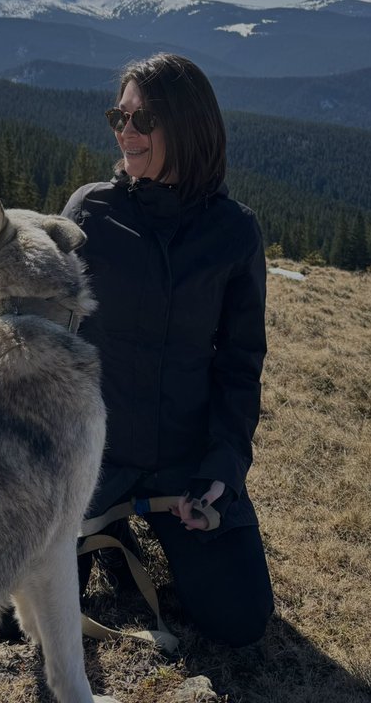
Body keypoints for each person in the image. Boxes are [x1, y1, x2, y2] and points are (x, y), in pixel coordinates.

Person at [62, 52, 273, 647]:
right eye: (118, 116)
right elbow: (52, 339)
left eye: (142, 120)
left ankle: (148, 529)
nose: (125, 132)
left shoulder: (233, 233)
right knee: (7, 621)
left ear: (187, 127)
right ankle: (112, 532)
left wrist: (222, 473)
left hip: (186, 466)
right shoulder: (91, 212)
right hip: (93, 459)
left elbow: (239, 366)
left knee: (240, 620)